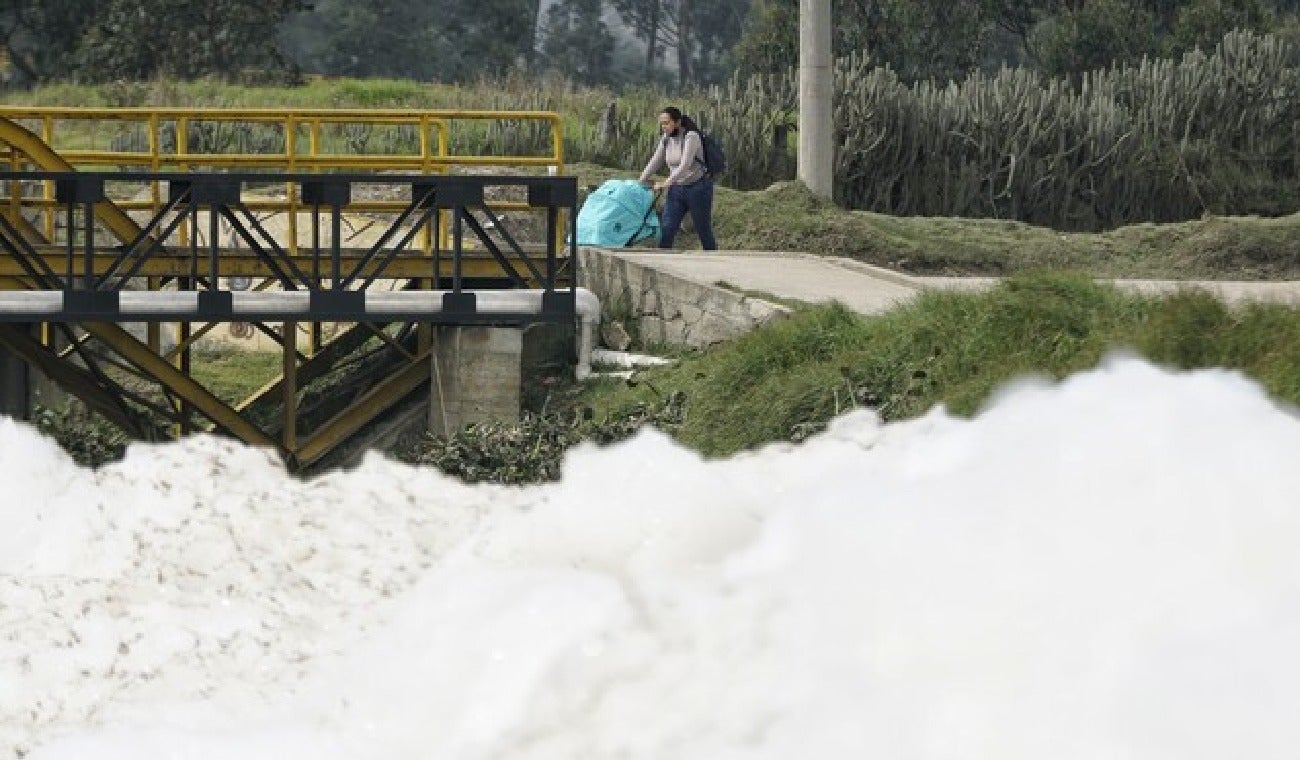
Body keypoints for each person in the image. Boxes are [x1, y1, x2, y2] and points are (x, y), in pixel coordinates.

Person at [638, 106, 718, 251]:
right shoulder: (666, 139)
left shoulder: (691, 136)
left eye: (667, 123)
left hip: (698, 187)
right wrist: (641, 179)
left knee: (703, 229)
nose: (664, 127)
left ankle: (714, 259)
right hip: (677, 189)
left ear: (677, 122)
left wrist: (666, 182)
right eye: (662, 123)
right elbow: (656, 160)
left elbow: (685, 165)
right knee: (667, 228)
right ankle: (663, 263)